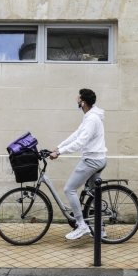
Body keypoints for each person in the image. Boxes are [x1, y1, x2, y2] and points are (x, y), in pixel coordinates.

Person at [48, 88, 107, 240]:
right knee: (94, 195)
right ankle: (101, 229)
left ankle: (81, 226)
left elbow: (80, 142)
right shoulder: (89, 116)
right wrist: (59, 147)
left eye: (78, 98)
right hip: (98, 158)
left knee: (69, 189)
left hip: (92, 160)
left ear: (83, 102)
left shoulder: (92, 119)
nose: (77, 100)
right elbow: (76, 134)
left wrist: (60, 153)